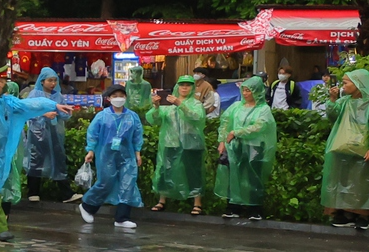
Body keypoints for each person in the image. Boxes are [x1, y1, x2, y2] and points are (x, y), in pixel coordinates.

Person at [0, 66, 58, 241]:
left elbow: (25, 106)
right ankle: (1, 229)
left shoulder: (0, 100)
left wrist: (52, 106)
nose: (8, 84)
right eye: (5, 81)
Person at [322, 68, 369, 230]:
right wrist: (332, 99)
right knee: (343, 180)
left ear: (358, 84)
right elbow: (333, 116)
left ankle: (363, 216)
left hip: (363, 151)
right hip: (342, 149)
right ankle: (345, 214)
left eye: (346, 82)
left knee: (362, 182)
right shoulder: (344, 102)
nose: (343, 86)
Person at [78, 87, 144, 229]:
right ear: (109, 98)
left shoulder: (132, 116)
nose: (118, 98)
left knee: (128, 183)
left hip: (127, 155)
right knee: (106, 182)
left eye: (121, 95)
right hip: (106, 154)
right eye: (115, 95)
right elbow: (93, 133)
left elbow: (137, 135)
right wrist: (90, 150)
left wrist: (138, 153)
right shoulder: (102, 116)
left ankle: (122, 217)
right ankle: (87, 206)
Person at [217, 76, 277, 222]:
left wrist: (237, 132)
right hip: (236, 147)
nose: (245, 93)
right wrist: (222, 140)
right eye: (243, 90)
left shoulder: (263, 109)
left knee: (253, 177)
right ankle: (233, 206)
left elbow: (259, 126)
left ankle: (255, 208)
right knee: (234, 176)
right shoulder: (236, 106)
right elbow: (225, 122)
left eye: (248, 91)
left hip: (255, 147)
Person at [150, 76, 208, 215]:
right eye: (182, 85)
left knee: (193, 172)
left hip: (191, 143)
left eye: (188, 85)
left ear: (192, 88)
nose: (184, 88)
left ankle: (197, 203)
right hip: (171, 142)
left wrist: (180, 104)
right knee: (166, 170)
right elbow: (155, 119)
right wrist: (156, 106)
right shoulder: (168, 104)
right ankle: (162, 200)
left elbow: (197, 117)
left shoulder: (195, 104)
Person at [22, 68, 71, 200]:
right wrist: (44, 114)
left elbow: (64, 114)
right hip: (38, 132)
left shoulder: (58, 96)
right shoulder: (34, 94)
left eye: (55, 80)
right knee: (36, 159)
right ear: (42, 81)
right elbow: (27, 111)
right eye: (50, 80)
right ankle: (33, 192)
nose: (53, 83)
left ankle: (66, 194)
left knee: (58, 158)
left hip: (54, 131)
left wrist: (65, 112)